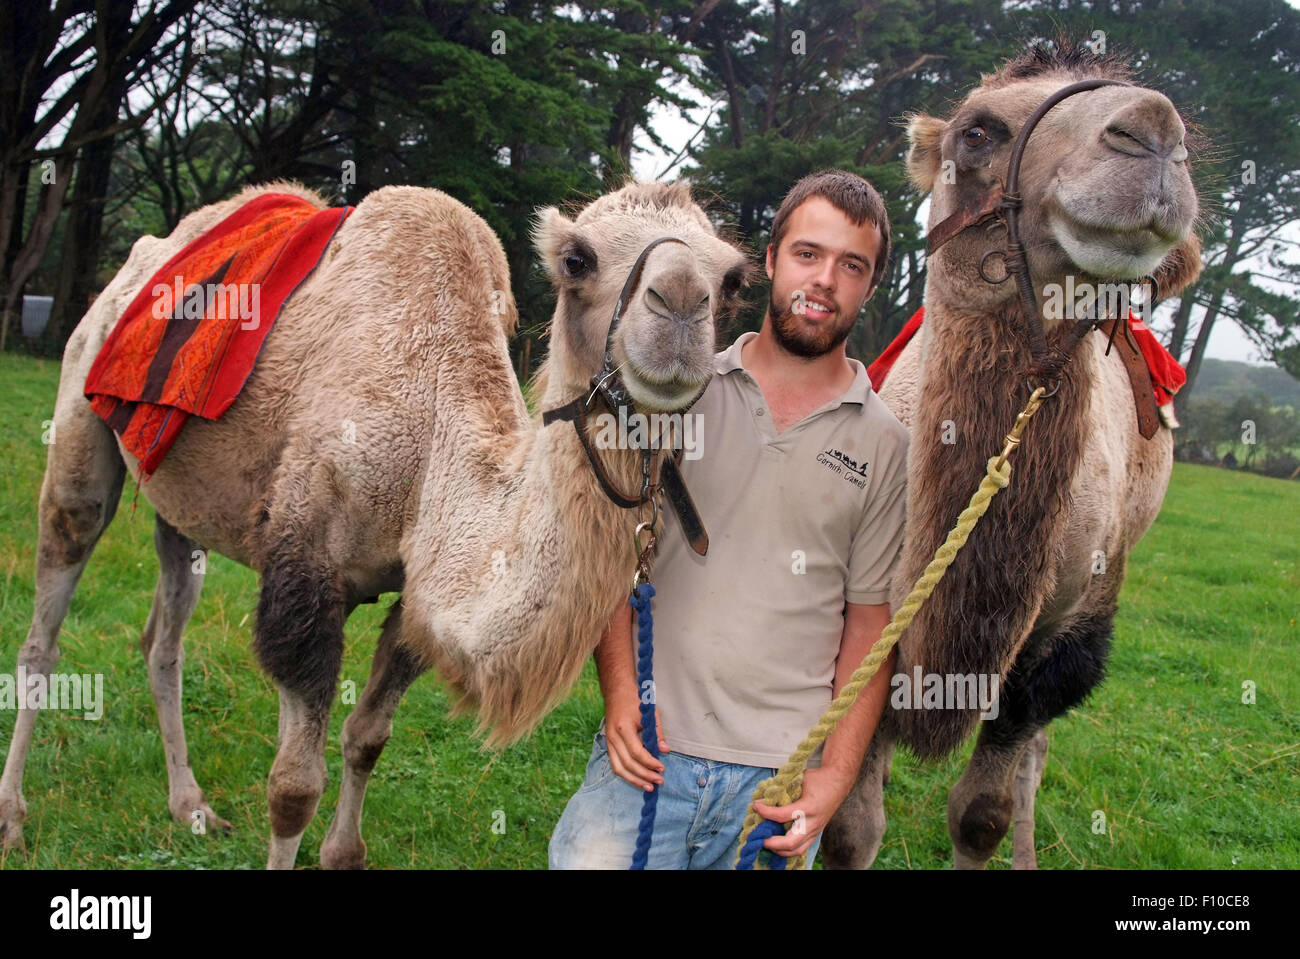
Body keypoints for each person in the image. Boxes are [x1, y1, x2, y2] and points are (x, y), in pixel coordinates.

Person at [548, 170, 908, 870]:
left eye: (851, 265)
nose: (825, 278)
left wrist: (833, 777)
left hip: (774, 783)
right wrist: (620, 692)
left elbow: (870, 627)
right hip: (649, 754)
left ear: (869, 285)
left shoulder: (885, 443)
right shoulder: (674, 391)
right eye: (808, 253)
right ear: (771, 260)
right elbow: (615, 551)